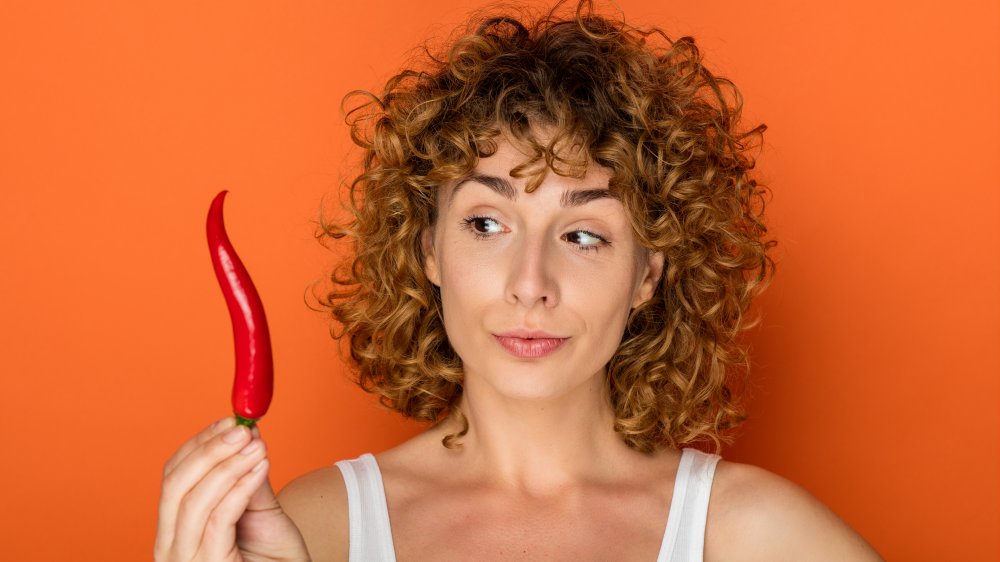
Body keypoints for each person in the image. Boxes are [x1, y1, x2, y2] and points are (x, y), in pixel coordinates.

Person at [155, 1, 883, 560]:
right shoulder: (314, 529)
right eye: (486, 224)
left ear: (647, 274)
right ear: (429, 250)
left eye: (584, 235)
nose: (530, 284)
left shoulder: (754, 536)